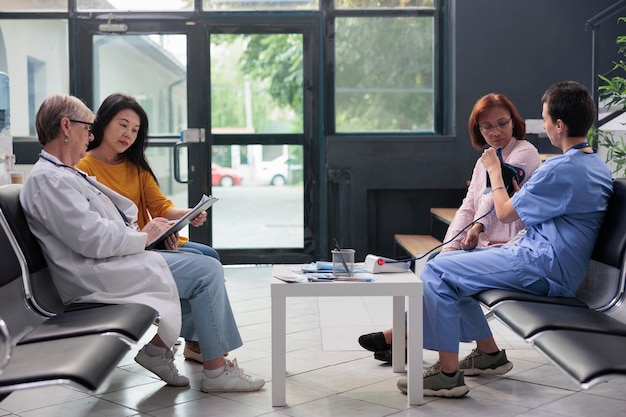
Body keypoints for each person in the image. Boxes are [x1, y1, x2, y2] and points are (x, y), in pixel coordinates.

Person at [20, 93, 265, 393]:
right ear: (67, 127)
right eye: (88, 128)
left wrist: (147, 233)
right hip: (98, 274)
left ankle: (162, 351)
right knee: (205, 271)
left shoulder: (63, 174)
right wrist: (144, 236)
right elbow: (92, 238)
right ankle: (213, 373)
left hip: (112, 262)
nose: (91, 135)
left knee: (204, 263)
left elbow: (105, 224)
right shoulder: (51, 180)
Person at [394, 80, 613, 397]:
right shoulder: (594, 166)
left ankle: (447, 373)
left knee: (438, 270)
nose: (545, 124)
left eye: (546, 118)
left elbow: (507, 212)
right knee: (451, 265)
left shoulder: (561, 169)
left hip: (542, 266)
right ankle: (488, 355)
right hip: (546, 261)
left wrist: (495, 171)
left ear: (559, 125)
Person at [358, 93, 543, 363]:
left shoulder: (523, 152)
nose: (496, 131)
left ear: (514, 122)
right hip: (484, 244)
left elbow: (495, 198)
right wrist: (450, 245)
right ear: (478, 130)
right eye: (487, 127)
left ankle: (405, 334)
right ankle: (483, 350)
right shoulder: (484, 160)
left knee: (447, 274)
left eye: (502, 123)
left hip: (509, 244)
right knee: (439, 261)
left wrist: (477, 228)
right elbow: (468, 204)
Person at [76, 93, 220, 261]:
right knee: (202, 260)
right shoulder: (82, 167)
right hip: (129, 246)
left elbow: (161, 207)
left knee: (210, 254)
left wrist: (189, 214)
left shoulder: (135, 167)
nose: (128, 134)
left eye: (135, 130)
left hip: (153, 241)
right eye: (123, 125)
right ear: (103, 122)